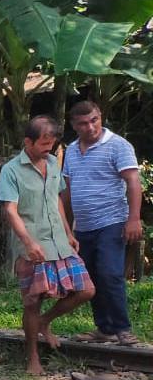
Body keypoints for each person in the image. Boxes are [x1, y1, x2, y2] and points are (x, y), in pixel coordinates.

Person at [0, 116, 95, 375]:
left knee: (86, 290)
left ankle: (43, 323)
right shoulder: (11, 170)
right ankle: (32, 358)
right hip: (33, 245)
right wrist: (28, 243)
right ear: (27, 141)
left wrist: (68, 231)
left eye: (51, 144)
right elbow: (10, 210)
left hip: (60, 243)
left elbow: (57, 200)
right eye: (43, 144)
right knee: (32, 302)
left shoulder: (53, 162)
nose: (48, 149)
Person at [63, 101, 143, 346]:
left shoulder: (118, 145)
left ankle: (123, 328)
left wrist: (133, 219)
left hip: (112, 221)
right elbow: (66, 190)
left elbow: (132, 182)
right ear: (74, 126)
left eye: (94, 120)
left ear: (100, 117)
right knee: (92, 279)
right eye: (83, 123)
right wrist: (66, 227)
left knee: (110, 274)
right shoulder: (72, 150)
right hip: (83, 227)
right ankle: (104, 328)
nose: (90, 127)